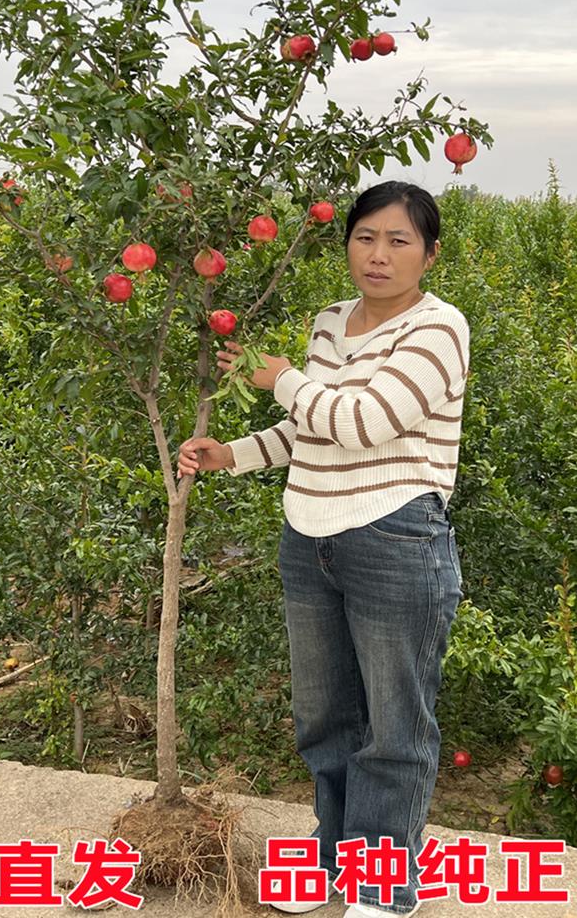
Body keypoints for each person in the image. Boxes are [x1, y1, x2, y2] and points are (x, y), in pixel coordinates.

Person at [177, 181, 468, 918]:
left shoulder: (437, 330)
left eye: (399, 241)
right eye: (366, 237)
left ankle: (379, 884)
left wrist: (282, 380)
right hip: (308, 536)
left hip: (395, 535)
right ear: (348, 244)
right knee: (326, 718)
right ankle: (332, 864)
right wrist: (232, 455)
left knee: (395, 725)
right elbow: (311, 427)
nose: (378, 255)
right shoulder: (329, 323)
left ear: (429, 254)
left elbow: (366, 420)